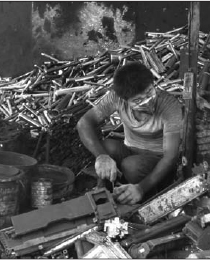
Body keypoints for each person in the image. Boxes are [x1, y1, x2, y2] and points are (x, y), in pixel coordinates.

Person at [76, 62, 184, 205]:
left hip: (159, 163)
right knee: (106, 148)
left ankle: (145, 198)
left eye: (149, 92)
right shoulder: (116, 98)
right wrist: (101, 157)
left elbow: (170, 157)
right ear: (125, 101)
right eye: (138, 100)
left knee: (131, 166)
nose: (147, 102)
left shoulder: (170, 105)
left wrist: (141, 188)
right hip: (130, 152)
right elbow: (84, 123)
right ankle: (104, 193)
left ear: (154, 85)